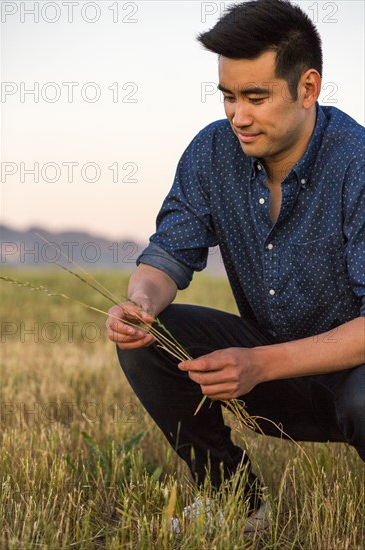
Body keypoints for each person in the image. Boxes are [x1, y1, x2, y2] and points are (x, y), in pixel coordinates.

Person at [106, 0, 365, 533]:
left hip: (352, 378)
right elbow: (169, 252)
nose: (237, 116)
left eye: (256, 97)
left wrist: (260, 363)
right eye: (228, 96)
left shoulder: (357, 163)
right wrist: (141, 304)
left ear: (308, 88)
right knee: (154, 337)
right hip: (277, 379)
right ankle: (237, 505)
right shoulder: (212, 152)